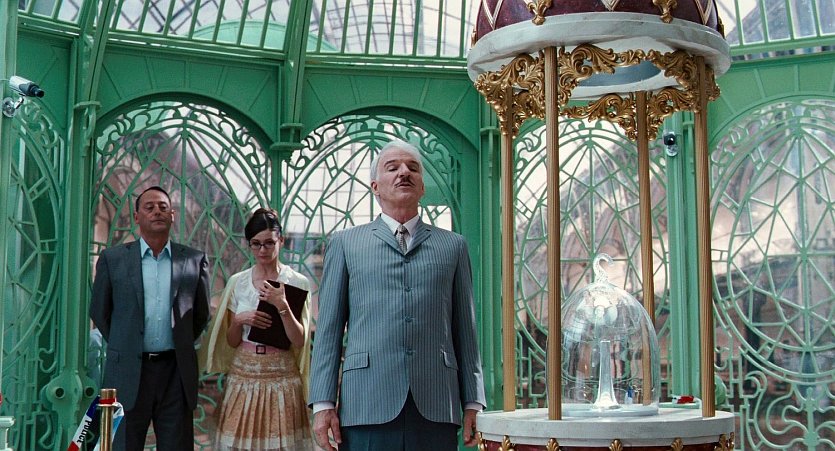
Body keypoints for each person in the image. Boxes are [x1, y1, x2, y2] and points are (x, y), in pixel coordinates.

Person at [308, 140, 486, 451]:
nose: (404, 172)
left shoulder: (453, 246)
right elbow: (328, 331)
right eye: (392, 168)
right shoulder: (346, 244)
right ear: (375, 186)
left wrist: (473, 401)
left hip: (436, 404)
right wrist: (323, 403)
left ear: (422, 187)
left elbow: (465, 331)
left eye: (412, 168)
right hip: (366, 403)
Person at [90, 186, 210, 450]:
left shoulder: (193, 260)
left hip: (175, 373)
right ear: (137, 217)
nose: (157, 211)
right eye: (150, 207)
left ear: (172, 215)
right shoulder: (114, 259)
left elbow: (201, 315)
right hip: (128, 371)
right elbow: (100, 311)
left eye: (163, 207)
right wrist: (126, 341)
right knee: (123, 445)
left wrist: (177, 341)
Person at [201, 208, 313, 450]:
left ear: (281, 240)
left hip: (281, 375)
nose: (263, 250)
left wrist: (282, 305)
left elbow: (299, 340)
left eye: (269, 243)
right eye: (256, 244)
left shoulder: (297, 282)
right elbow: (232, 341)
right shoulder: (238, 282)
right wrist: (240, 320)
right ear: (249, 244)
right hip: (244, 374)